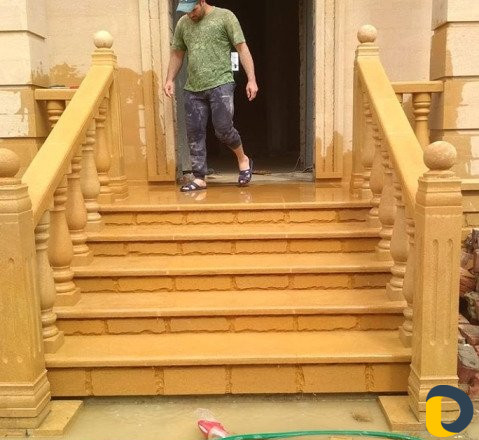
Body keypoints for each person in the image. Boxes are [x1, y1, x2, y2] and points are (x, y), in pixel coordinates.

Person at [164, 0, 258, 192]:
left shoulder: (225, 17)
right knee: (194, 133)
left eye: (193, 10)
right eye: (186, 11)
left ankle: (243, 159)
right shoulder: (183, 23)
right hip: (193, 87)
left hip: (221, 83)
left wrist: (251, 79)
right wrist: (169, 79)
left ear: (202, 1)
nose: (190, 14)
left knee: (223, 129)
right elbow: (177, 54)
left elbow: (242, 48)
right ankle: (199, 177)